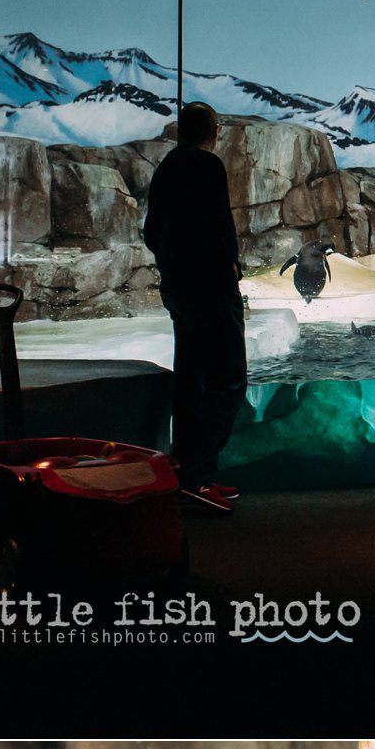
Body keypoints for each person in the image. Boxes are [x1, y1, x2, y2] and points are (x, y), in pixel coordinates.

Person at [142, 100, 244, 513]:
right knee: (228, 380)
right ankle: (193, 472)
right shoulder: (207, 165)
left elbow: (152, 232)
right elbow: (218, 226)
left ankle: (194, 476)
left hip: (179, 289)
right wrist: (228, 264)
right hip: (210, 287)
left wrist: (173, 265)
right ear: (213, 131)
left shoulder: (166, 167)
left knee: (191, 380)